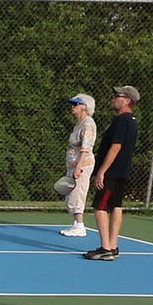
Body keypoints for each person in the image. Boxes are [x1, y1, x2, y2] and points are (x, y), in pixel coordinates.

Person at [85, 86, 141, 259]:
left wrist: (102, 171)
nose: (114, 98)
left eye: (118, 96)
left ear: (127, 101)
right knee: (116, 206)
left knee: (100, 207)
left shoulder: (122, 120)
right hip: (120, 171)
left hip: (112, 172)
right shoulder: (130, 120)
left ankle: (106, 248)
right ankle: (113, 246)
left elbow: (116, 147)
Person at [59, 94, 97, 239]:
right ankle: (76, 223)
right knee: (71, 194)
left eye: (75, 104)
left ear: (84, 107)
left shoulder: (88, 124)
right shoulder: (79, 124)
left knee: (77, 193)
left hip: (82, 165)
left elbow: (86, 148)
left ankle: (80, 226)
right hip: (73, 164)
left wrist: (79, 167)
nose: (73, 107)